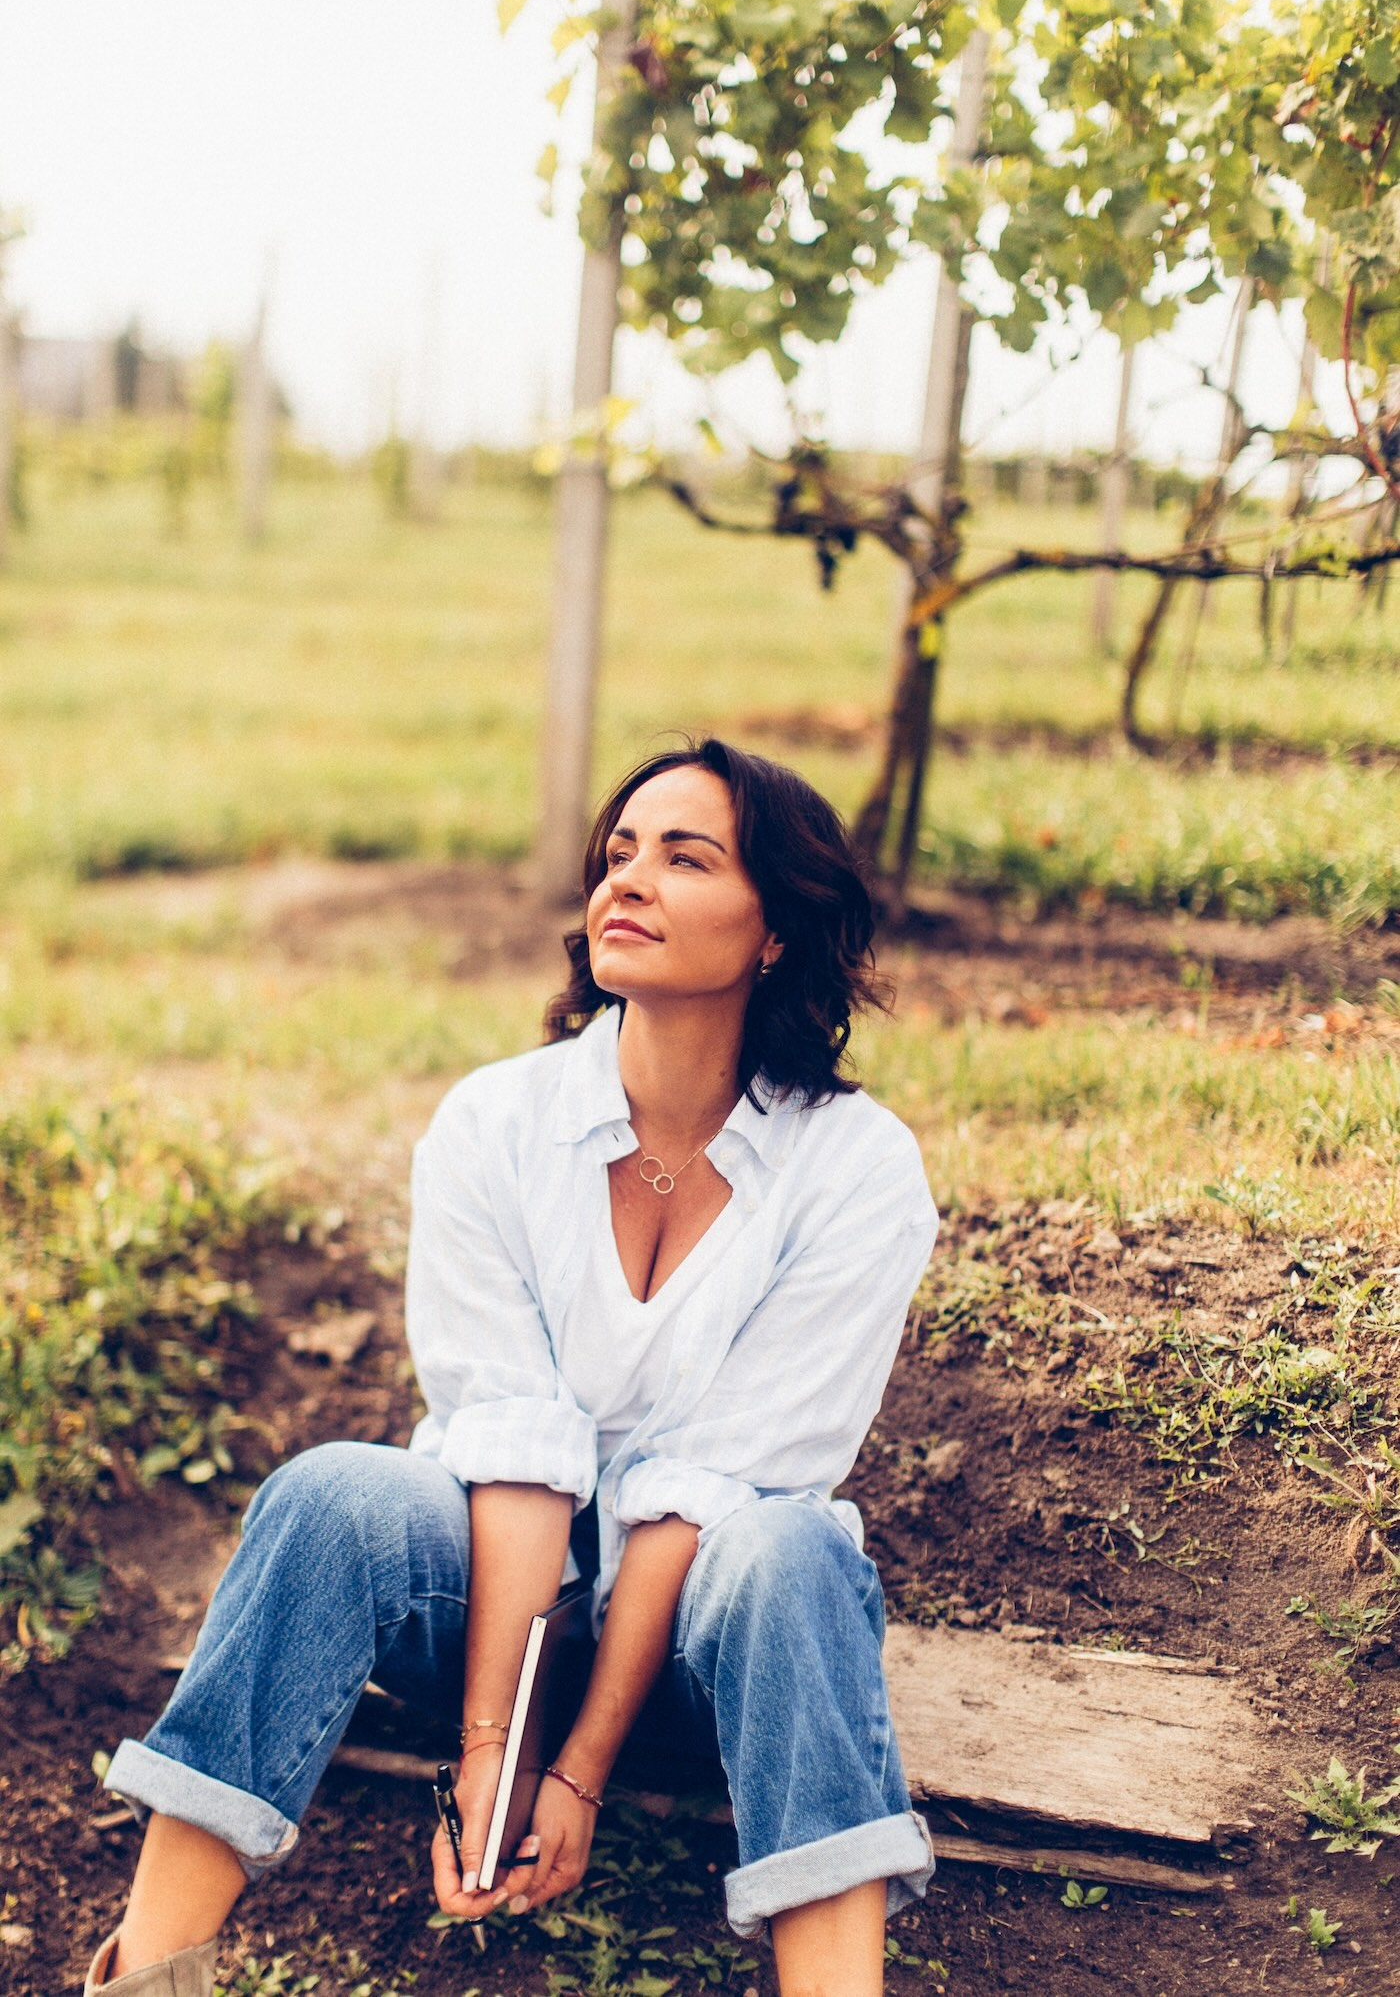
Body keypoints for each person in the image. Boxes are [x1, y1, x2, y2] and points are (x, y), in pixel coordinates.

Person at [87, 739, 940, 1997]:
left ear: (776, 932)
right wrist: (496, 1743)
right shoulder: (494, 1122)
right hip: (493, 1602)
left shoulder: (856, 1168)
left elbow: (712, 1490)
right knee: (330, 1495)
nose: (626, 883)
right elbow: (514, 1440)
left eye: (684, 857)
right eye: (618, 855)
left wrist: (578, 1769)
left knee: (791, 1549)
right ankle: (150, 1977)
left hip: (715, 1644)